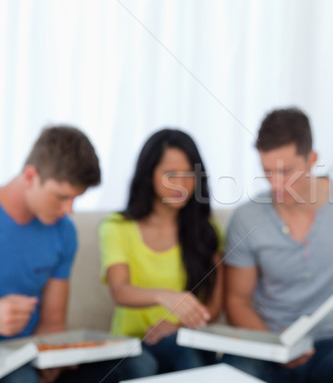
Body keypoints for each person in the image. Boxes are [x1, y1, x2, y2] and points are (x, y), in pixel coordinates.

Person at [223, 108, 333, 383]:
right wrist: (277, 345)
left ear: (311, 160)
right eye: (267, 172)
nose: (276, 184)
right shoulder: (247, 219)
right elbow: (237, 301)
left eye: (286, 171)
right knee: (232, 372)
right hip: (269, 343)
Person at [0, 126, 139, 383]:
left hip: (28, 353)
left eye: (75, 199)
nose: (69, 210)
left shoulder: (64, 232)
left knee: (135, 366)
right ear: (31, 176)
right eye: (61, 197)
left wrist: (54, 360)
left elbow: (53, 321)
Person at [99, 128, 223, 376]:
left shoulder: (207, 231)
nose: (181, 184)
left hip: (182, 338)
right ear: (149, 175)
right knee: (144, 366)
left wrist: (177, 326)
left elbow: (213, 305)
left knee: (188, 354)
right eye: (170, 174)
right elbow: (120, 291)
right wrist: (163, 296)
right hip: (131, 345)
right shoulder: (117, 227)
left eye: (189, 174)